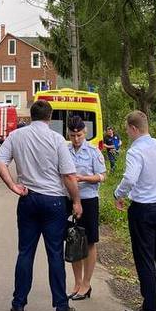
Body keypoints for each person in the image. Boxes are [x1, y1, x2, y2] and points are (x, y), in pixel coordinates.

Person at [0, 99, 82, 311]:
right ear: (49, 118)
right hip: (53, 202)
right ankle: (61, 305)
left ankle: (19, 303)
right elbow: (69, 176)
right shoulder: (57, 140)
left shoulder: (16, 136)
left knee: (25, 252)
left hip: (28, 199)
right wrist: (77, 201)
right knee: (54, 253)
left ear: (31, 116)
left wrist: (13, 185)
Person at [114, 111, 156, 311]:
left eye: (127, 130)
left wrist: (118, 194)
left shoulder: (135, 151)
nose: (127, 133)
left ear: (133, 128)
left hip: (143, 209)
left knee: (144, 257)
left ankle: (150, 306)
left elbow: (131, 178)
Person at [65, 116, 105, 301]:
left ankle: (87, 284)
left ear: (85, 133)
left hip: (88, 200)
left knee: (89, 241)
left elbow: (102, 176)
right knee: (73, 240)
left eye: (79, 135)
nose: (76, 139)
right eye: (73, 135)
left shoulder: (93, 152)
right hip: (69, 199)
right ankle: (77, 282)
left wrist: (83, 178)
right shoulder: (65, 150)